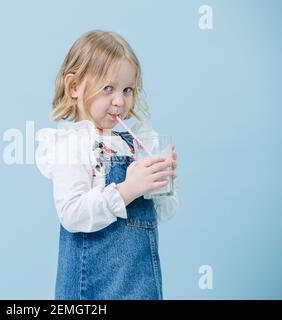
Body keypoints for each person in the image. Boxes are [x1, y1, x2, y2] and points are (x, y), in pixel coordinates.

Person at [35, 30, 179, 300]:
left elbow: (158, 215)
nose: (119, 101)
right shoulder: (74, 143)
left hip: (142, 285)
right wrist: (127, 189)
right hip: (94, 290)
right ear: (75, 87)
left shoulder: (134, 143)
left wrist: (161, 183)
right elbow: (72, 212)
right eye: (108, 89)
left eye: (127, 90)